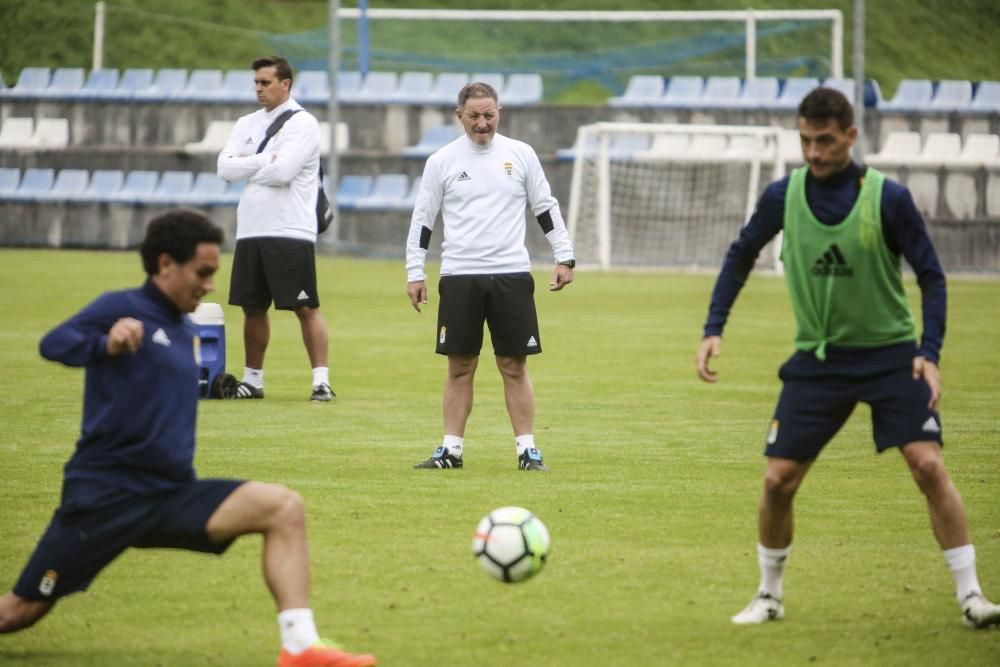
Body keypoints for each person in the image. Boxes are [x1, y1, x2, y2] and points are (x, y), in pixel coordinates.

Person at [0, 210, 376, 667]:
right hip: (105, 500)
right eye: (203, 273)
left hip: (170, 495)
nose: (211, 286)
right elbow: (53, 343)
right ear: (165, 265)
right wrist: (106, 345)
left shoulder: (184, 326)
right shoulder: (120, 308)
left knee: (283, 508)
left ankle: (299, 648)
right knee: (19, 612)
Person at [695, 87, 1000, 629]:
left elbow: (931, 276)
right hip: (819, 361)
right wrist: (713, 328)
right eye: (806, 140)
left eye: (826, 141)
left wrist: (929, 354)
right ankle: (769, 595)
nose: (814, 153)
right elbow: (740, 255)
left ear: (851, 137)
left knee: (928, 465)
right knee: (777, 482)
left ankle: (972, 596)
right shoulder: (781, 196)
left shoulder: (888, 198)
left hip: (892, 358)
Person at [405, 81, 576, 472]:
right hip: (460, 275)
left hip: (511, 275)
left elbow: (545, 208)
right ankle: (451, 450)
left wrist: (565, 256)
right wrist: (415, 272)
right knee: (459, 366)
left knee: (514, 366)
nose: (482, 123)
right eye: (474, 116)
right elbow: (423, 221)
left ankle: (527, 450)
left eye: (489, 115)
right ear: (459, 116)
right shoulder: (442, 161)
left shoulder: (521, 154)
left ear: (499, 112)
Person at [218, 55, 334, 402]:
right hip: (251, 227)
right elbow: (224, 167)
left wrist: (248, 165)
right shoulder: (246, 123)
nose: (259, 89)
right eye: (256, 82)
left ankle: (320, 381)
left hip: (290, 228)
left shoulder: (303, 123)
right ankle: (253, 380)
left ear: (285, 84)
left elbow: (284, 173)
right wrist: (264, 161)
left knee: (304, 306)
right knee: (251, 307)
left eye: (265, 82)